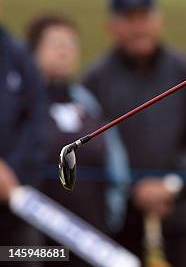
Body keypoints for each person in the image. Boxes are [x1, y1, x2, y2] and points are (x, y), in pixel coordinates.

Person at [83, 0, 186, 267]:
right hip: (118, 218)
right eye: (128, 20)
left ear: (159, 21)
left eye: (144, 18)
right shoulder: (95, 78)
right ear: (112, 26)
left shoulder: (184, 68)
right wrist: (133, 187)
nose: (138, 28)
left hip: (176, 214)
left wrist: (170, 184)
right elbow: (91, 146)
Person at [26, 14, 130, 266]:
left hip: (92, 241)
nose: (65, 51)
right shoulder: (21, 103)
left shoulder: (87, 104)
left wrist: (110, 217)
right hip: (33, 244)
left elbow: (116, 165)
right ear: (31, 51)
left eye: (71, 44)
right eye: (55, 43)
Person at [0, 0, 47, 248]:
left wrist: (10, 171)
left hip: (15, 196)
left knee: (16, 256)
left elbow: (35, 120)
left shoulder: (18, 55)